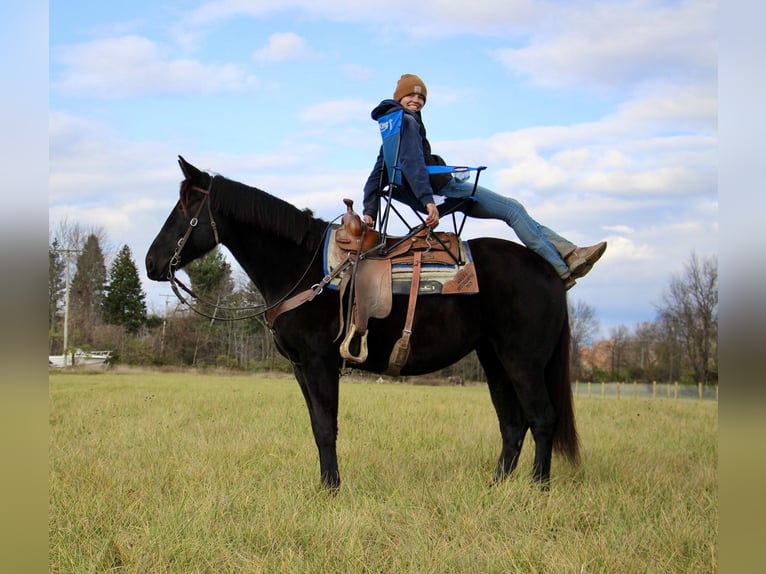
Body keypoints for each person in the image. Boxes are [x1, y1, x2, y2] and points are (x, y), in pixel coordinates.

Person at [362, 73, 607, 289]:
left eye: (421, 98)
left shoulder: (391, 126)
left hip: (430, 191)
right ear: (399, 98)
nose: (416, 101)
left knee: (513, 207)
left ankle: (571, 253)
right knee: (513, 210)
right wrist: (428, 201)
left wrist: (369, 209)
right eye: (411, 96)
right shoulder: (407, 121)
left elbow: (379, 172)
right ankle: (561, 270)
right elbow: (413, 163)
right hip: (444, 191)